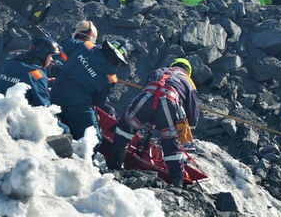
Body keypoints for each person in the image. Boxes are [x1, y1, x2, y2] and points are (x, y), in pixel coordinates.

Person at [106, 58, 199, 187]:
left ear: (173, 65)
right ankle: (176, 184)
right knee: (171, 143)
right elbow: (192, 111)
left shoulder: (159, 71)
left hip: (146, 98)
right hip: (169, 103)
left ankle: (114, 166)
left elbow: (146, 88)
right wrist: (187, 131)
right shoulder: (189, 82)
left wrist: (148, 115)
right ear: (187, 72)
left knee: (125, 129)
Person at [50, 39, 128, 150]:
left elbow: (64, 45)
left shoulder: (85, 46)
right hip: (75, 107)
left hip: (55, 91)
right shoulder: (110, 78)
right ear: (118, 61)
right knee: (94, 140)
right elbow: (98, 101)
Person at [0, 36, 61, 109]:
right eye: (50, 55)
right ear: (43, 55)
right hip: (17, 117)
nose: (51, 59)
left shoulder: (9, 63)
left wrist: (43, 83)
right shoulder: (37, 75)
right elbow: (44, 107)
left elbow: (18, 79)